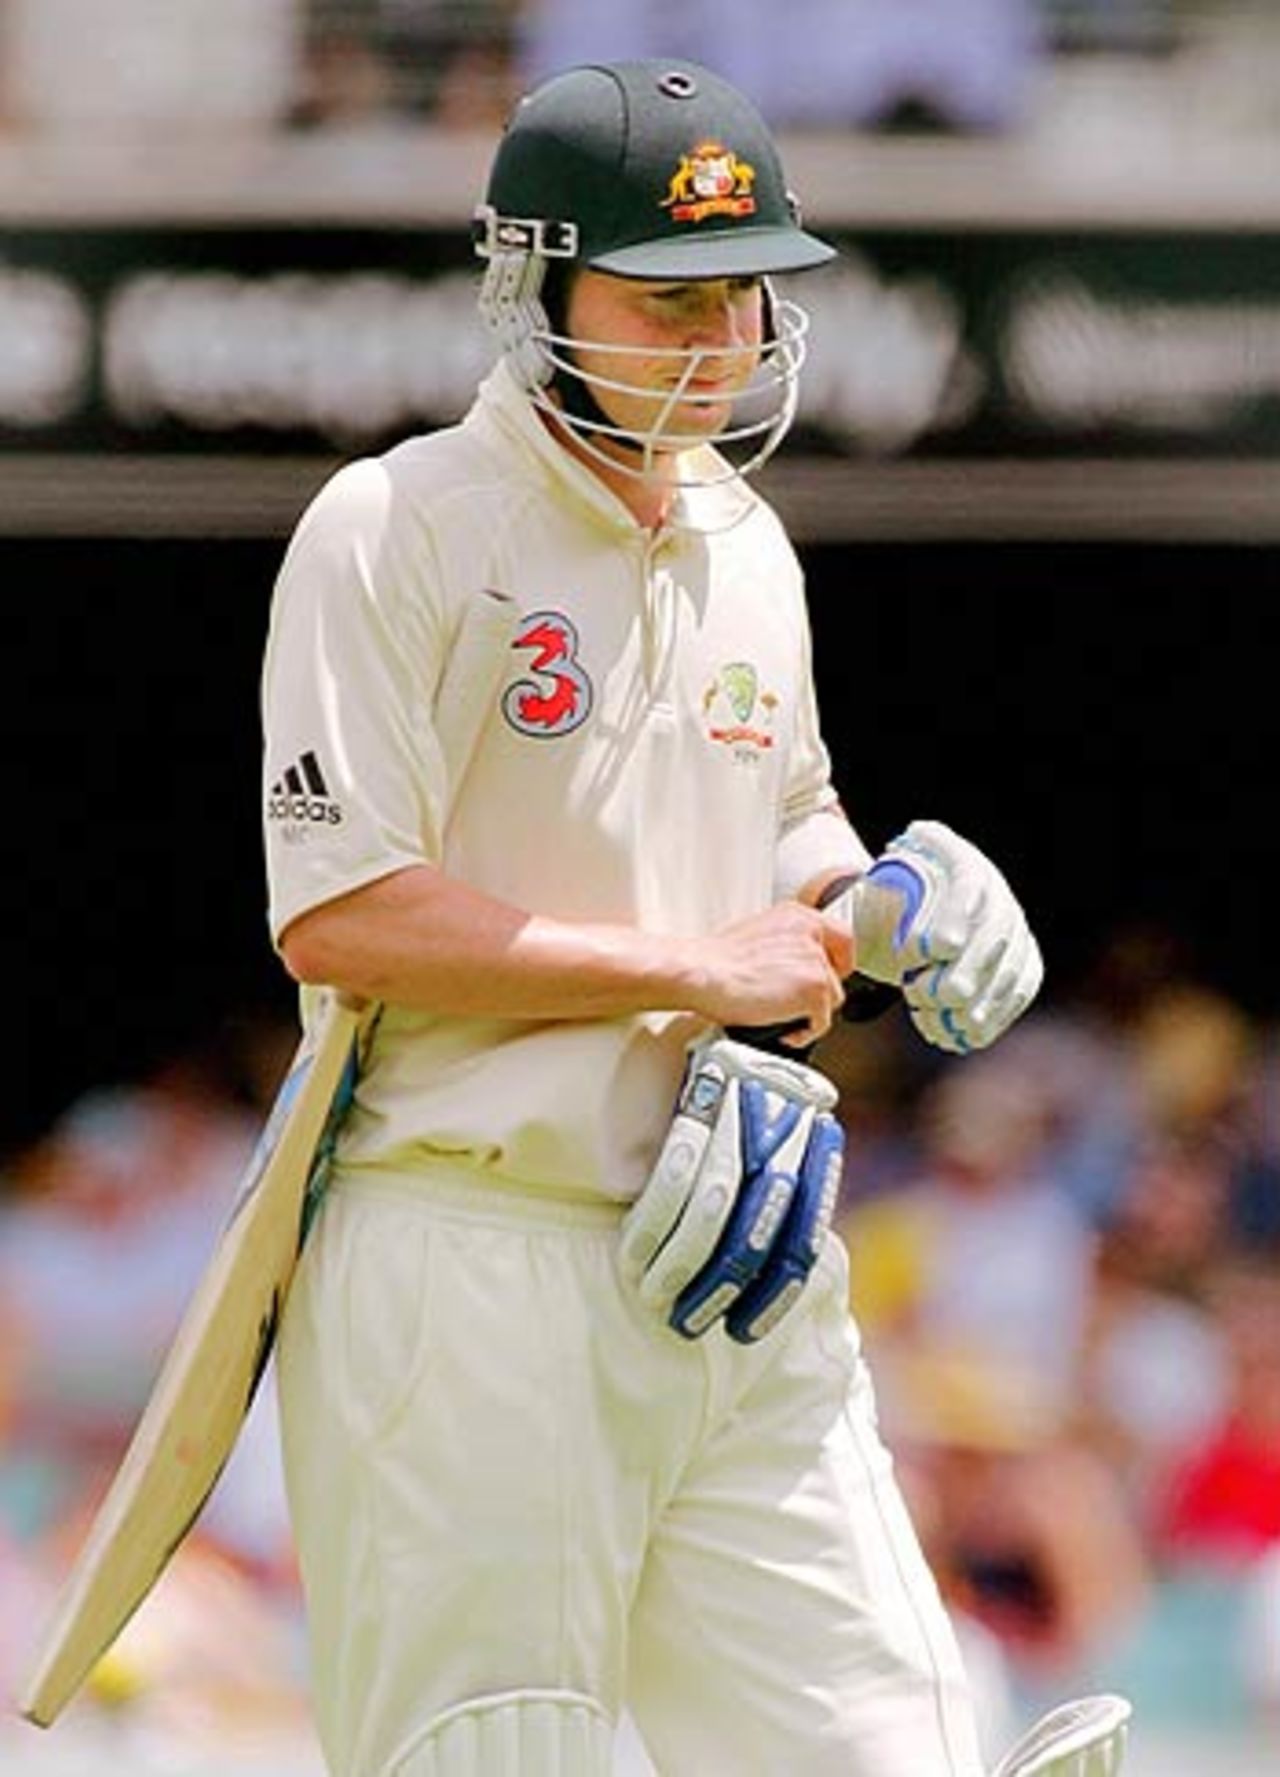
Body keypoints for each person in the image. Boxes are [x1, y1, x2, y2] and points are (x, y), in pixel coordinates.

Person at [261, 56, 1068, 1777]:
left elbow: (780, 817)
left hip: (734, 1235)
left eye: (746, 295)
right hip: (467, 1240)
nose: (720, 341)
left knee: (891, 1747)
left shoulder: (747, 543)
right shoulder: (393, 528)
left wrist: (885, 893)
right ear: (531, 284)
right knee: (501, 1753)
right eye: (669, 297)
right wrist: (697, 968)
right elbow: (344, 915)